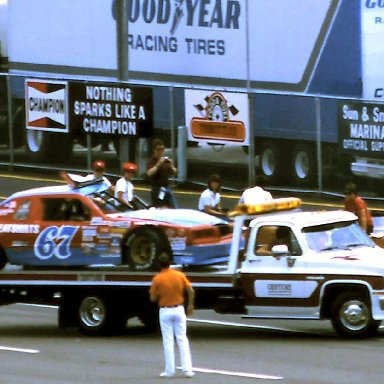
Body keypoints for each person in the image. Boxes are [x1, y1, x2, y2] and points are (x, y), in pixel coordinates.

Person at [149, 253, 195, 379]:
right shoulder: (179, 275)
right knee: (182, 339)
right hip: (179, 309)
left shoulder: (157, 279)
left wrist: (159, 293)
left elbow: (153, 298)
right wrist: (190, 305)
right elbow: (191, 290)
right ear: (170, 263)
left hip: (165, 310)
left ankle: (170, 371)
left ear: (159, 264)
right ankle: (188, 370)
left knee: (168, 341)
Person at [146, 139, 178, 208]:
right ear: (154, 150)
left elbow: (175, 172)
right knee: (160, 208)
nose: (160, 151)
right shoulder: (151, 161)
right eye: (158, 149)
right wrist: (158, 164)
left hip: (166, 188)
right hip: (157, 189)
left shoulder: (165, 160)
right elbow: (149, 173)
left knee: (173, 208)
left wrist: (172, 166)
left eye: (162, 149)